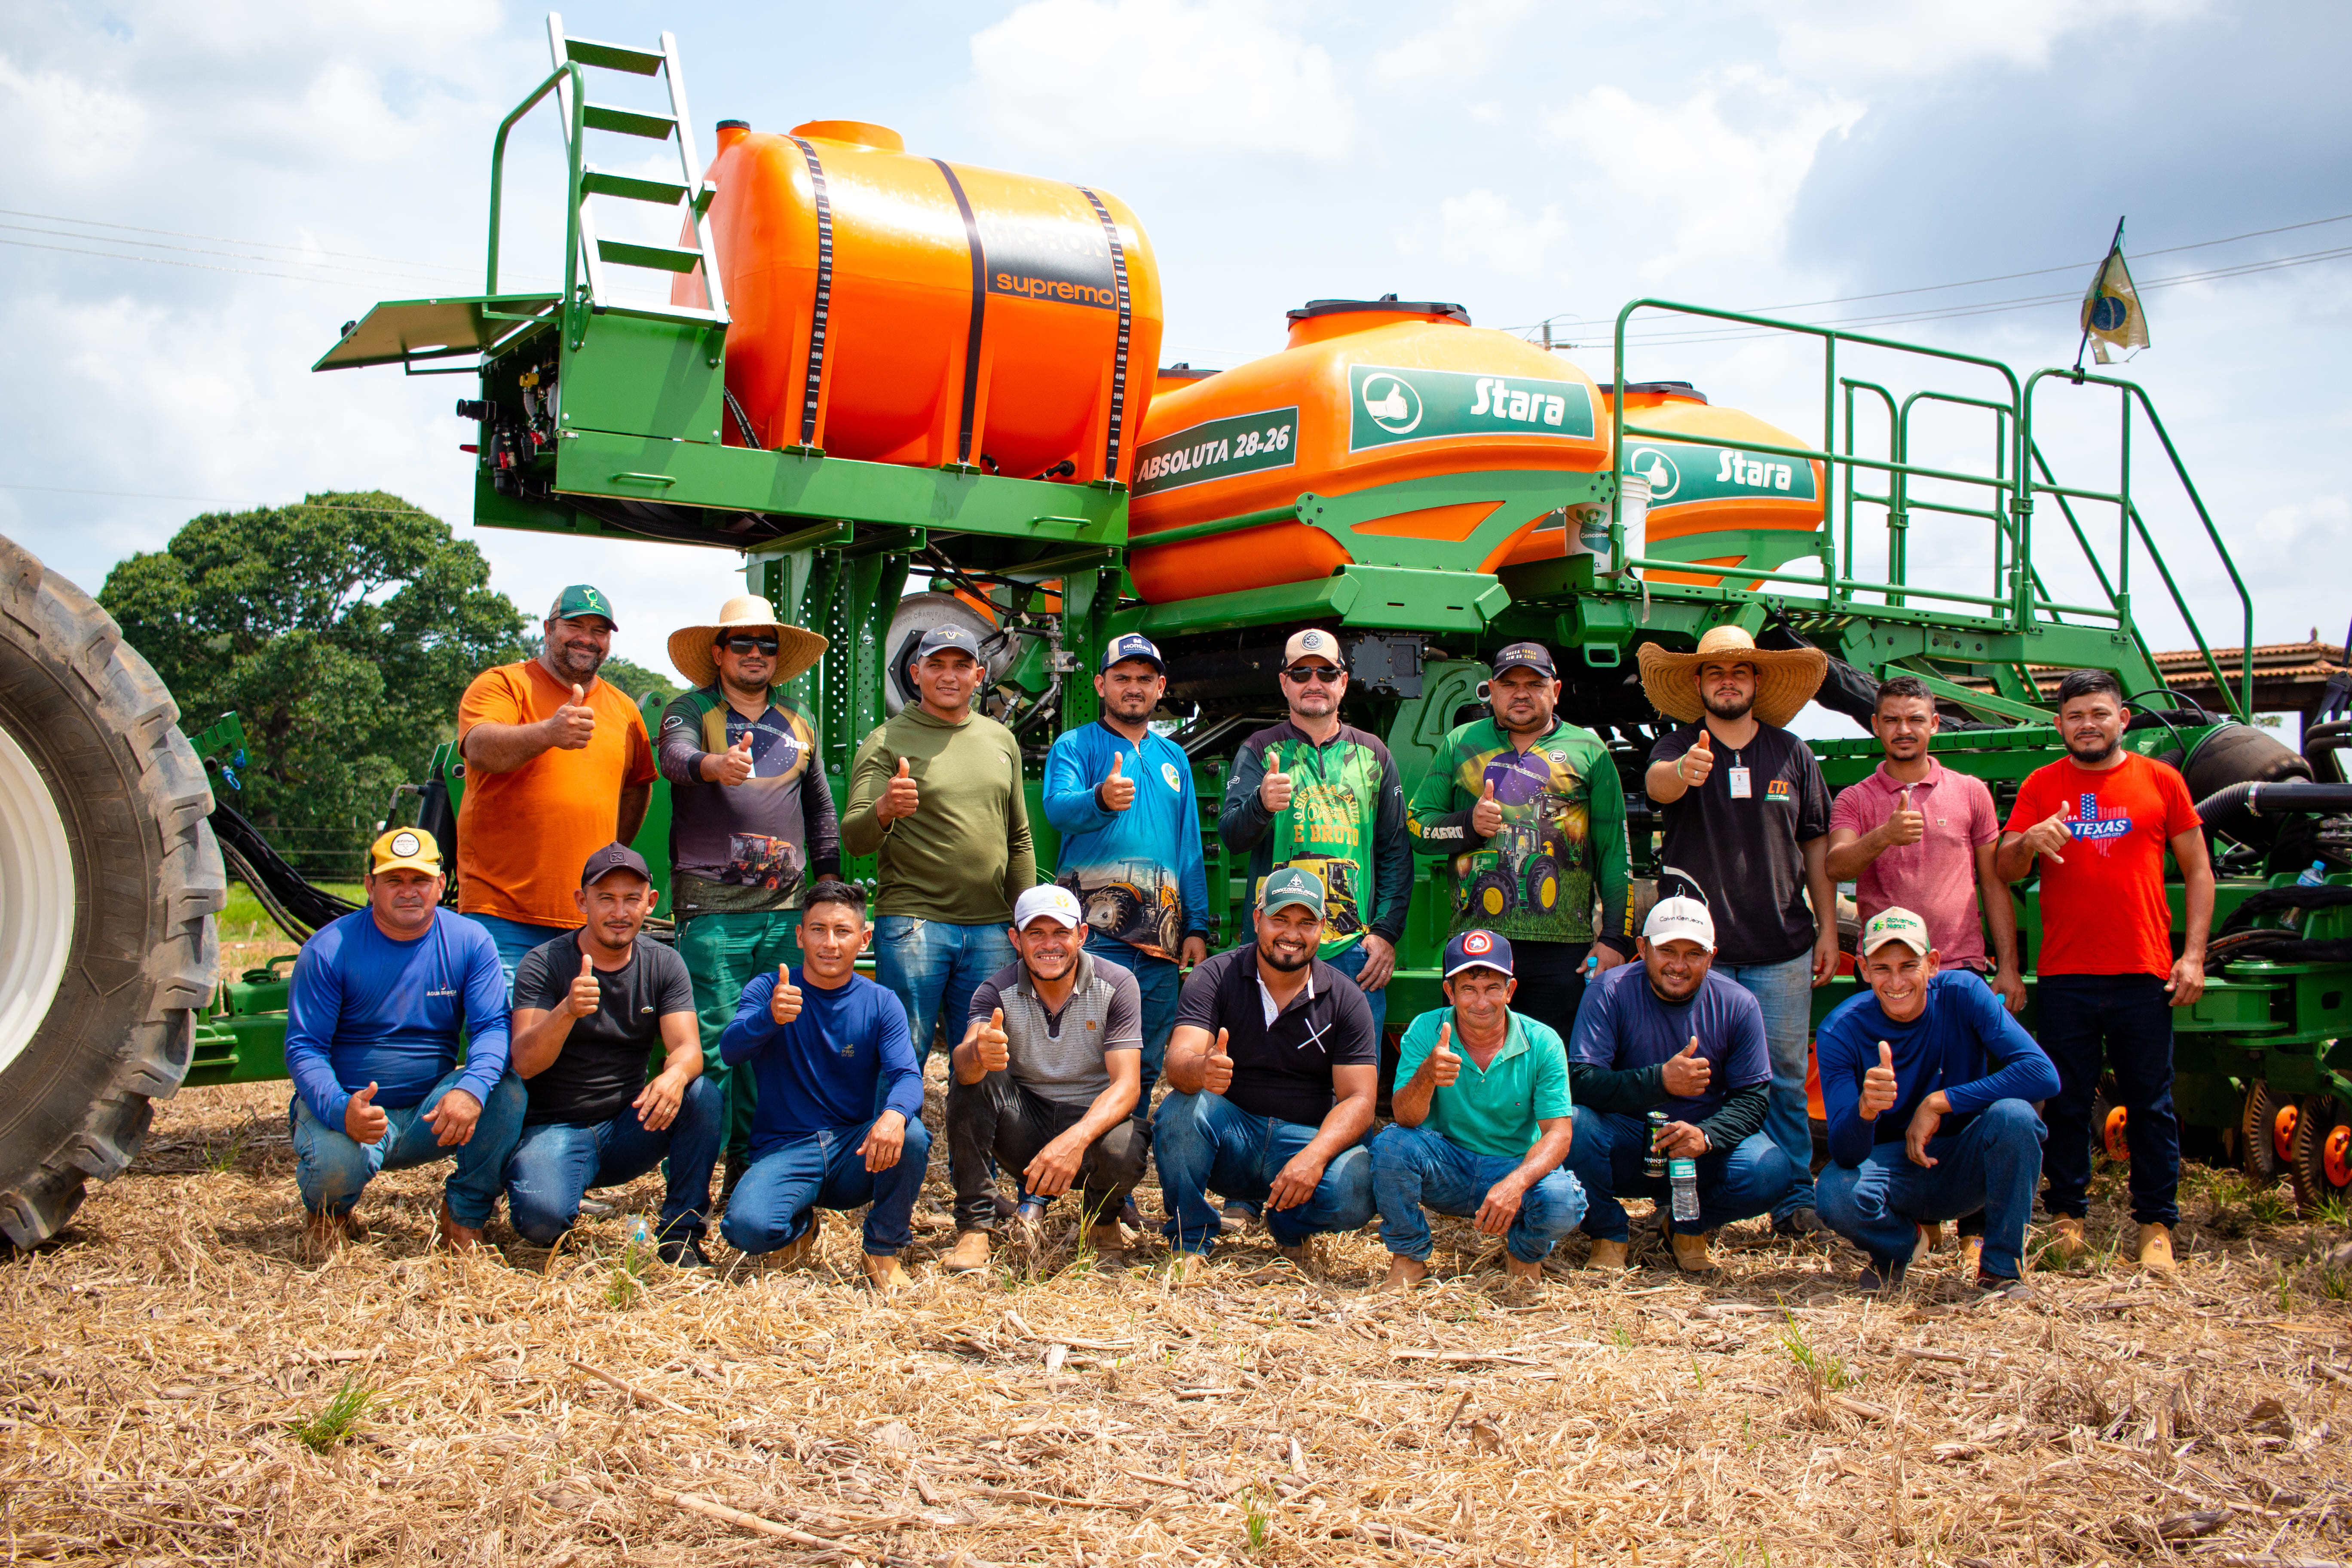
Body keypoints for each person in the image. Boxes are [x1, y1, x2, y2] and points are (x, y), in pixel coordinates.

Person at [1996, 668, 2213, 1272]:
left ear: (2123, 719)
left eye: (2098, 714)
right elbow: (2005, 868)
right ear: (2059, 724)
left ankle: (2156, 1224)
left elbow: (2199, 870)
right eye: (2075, 716)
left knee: (2150, 1102)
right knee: (2066, 1101)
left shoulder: (2161, 781)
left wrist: (2193, 956)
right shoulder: (2042, 784)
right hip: (2066, 972)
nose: (2087, 725)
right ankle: (2068, 1215)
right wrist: (2028, 841)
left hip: (2143, 969)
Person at [1638, 623, 1835, 1237]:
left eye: (1740, 671)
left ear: (1757, 682)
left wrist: (1829, 928)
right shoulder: (1677, 745)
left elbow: (1816, 844)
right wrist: (1686, 770)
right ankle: (1689, 1197)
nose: (1728, 682)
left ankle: (1793, 1197)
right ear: (1698, 683)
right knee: (1696, 1078)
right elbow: (1657, 786)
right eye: (1717, 672)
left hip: (1783, 945)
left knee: (1783, 1078)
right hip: (1698, 955)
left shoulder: (1793, 753)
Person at [658, 594, 836, 1190]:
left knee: (770, 1040)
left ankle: (750, 1169)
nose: (755, 653)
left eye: (766, 644)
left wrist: (828, 883)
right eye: (742, 643)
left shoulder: (799, 718)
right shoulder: (691, 709)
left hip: (784, 913)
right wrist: (714, 767)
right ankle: (690, 1182)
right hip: (713, 911)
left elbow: (819, 807)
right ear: (718, 653)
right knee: (711, 1045)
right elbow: (674, 758)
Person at [283, 828, 524, 1252]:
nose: (408, 891)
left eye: (420, 880)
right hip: (352, 1109)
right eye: (394, 880)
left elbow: (492, 1027)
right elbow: (305, 1047)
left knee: (506, 1091)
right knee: (336, 1163)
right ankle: (330, 1213)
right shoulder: (329, 949)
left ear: (441, 884)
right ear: (370, 886)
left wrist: (471, 1089)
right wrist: (341, 1110)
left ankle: (464, 1214)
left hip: (429, 1113)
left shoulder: (470, 942)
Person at [1814, 909, 2061, 1298]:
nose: (1896, 982)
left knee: (2016, 1116)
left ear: (1932, 964)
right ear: (1863, 969)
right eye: (1882, 969)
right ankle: (1900, 1245)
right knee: (1834, 1193)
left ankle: (2001, 1270)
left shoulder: (1964, 993)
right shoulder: (1840, 1029)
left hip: (1964, 1159)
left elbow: (2043, 1074)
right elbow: (1846, 1153)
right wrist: (1865, 1110)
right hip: (1894, 1171)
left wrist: (1941, 1101)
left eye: (1908, 966)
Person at [502, 844, 721, 1268]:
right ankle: (542, 1182)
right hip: (556, 1128)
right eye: (606, 899)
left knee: (702, 1095)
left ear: (650, 903)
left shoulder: (664, 963)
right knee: (542, 1223)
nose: (619, 912)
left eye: (631, 899)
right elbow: (524, 1062)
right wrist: (567, 1011)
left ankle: (681, 1237)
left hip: (627, 1128)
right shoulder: (544, 963)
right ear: (582, 901)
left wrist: (674, 1076)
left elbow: (688, 1049)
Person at [1406, 640, 1635, 1040]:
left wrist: (1616, 938)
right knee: (1471, 1059)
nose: (1521, 694)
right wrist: (1468, 824)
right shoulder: (1461, 743)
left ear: (1556, 691)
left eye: (1534, 684)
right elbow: (1417, 826)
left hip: (1563, 949)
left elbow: (1615, 851)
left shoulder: (1590, 751)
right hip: (1475, 944)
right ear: (1493, 690)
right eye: (1510, 684)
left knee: (1552, 1059)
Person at [1154, 869, 1378, 1273]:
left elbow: (1360, 1100)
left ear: (1322, 928)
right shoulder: (1215, 976)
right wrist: (1201, 1070)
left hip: (1301, 1143)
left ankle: (1289, 1224)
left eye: (1306, 923)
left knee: (1359, 1182)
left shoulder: (1345, 998)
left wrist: (1315, 1156)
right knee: (1178, 1112)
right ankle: (1190, 1241)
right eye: (1280, 919)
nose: (1292, 934)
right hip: (1231, 1139)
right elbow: (1178, 1061)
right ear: (1258, 920)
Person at [715, 879, 929, 1292]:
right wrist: (769, 1018)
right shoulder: (769, 990)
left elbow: (907, 1076)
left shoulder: (881, 1002)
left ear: (864, 940)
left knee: (912, 1134)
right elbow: (730, 1050)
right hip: (784, 1149)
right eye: (818, 930)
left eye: (842, 931)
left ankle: (882, 1250)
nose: (830, 943)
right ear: (800, 936)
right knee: (746, 1228)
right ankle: (800, 1229)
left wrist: (893, 1116)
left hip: (854, 1152)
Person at [842, 622, 1035, 1067]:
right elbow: (854, 837)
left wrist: (1023, 921)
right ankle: (897, 1117)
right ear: (916, 673)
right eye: (936, 665)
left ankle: (970, 1121)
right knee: (902, 1057)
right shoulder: (886, 741)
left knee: (983, 1061)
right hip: (915, 925)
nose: (949, 676)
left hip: (991, 929)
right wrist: (885, 808)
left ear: (979, 676)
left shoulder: (1001, 740)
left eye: (961, 666)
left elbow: (1019, 839)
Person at [1565, 895, 1790, 1274]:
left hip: (1699, 1148)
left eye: (1694, 954)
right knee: (1572, 1124)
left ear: (1712, 956)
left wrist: (1707, 1135)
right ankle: (1607, 1231)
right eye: (1667, 950)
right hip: (1628, 1140)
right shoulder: (1609, 990)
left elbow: (1753, 1099)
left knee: (1770, 1170)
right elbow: (1581, 1082)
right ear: (1642, 948)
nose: (1679, 965)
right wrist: (1660, 1081)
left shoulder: (1739, 1003)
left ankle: (1687, 1226)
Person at [1042, 632, 1211, 1128]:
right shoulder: (1075, 745)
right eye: (1122, 678)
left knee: (1144, 1065)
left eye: (1144, 678)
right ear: (1101, 685)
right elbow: (1057, 809)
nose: (1133, 687)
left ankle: (1121, 1170)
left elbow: (1189, 849)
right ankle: (1066, 1161)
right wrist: (1099, 798)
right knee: (1085, 1059)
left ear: (1161, 688)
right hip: (1095, 939)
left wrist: (1196, 926)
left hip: (1160, 943)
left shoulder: (1174, 757)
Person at [456, 585, 657, 989]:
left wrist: (609, 854)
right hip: (503, 914)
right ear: (548, 629)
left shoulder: (623, 709)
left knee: (580, 1029)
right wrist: (549, 732)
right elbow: (478, 748)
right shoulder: (503, 684)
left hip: (589, 919)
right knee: (509, 1026)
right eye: (575, 626)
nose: (588, 638)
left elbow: (637, 787)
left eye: (599, 631)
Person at [940, 885, 1147, 1271]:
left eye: (1060, 933)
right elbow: (966, 1062)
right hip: (1024, 1126)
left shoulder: (1118, 984)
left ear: (1081, 936)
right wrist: (977, 1053)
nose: (1049, 945)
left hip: (1090, 1124)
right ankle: (974, 1227)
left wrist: (1075, 1140)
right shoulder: (994, 991)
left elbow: (1127, 1086)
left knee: (1126, 1145)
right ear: (1015, 940)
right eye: (1036, 933)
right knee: (970, 1080)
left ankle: (1102, 1222)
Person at [1219, 627, 1411, 1041]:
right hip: (1275, 946)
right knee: (1269, 1066)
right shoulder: (1259, 749)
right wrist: (1260, 804)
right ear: (1284, 682)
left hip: (1353, 953)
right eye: (1301, 673)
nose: (1314, 683)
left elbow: (1395, 852)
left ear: (1343, 681)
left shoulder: (1375, 754)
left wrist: (1385, 934)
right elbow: (1232, 837)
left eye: (1326, 673)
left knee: (1354, 1070)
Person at [1371, 931, 1583, 1290]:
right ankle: (1409, 1256)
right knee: (1391, 1146)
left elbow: (1559, 1134)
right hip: (1446, 1161)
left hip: (1512, 1165)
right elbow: (1405, 1119)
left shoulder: (1543, 1041)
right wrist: (1427, 1075)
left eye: (1493, 988)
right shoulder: (1427, 1029)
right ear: (1450, 992)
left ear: (1510, 991)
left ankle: (1524, 1254)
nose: (1481, 1002)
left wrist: (1516, 1184)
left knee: (1562, 1201)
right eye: (1469, 989)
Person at [1826, 674, 2025, 1013]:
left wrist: (2008, 967)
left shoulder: (1971, 792)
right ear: (1875, 725)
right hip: (1887, 970)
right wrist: (1884, 836)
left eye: (1915, 720)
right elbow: (1836, 866)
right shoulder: (1854, 799)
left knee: (1960, 1051)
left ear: (1934, 724)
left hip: (1959, 966)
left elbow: (1993, 884)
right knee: (1891, 1051)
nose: (1904, 730)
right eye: (1892, 720)